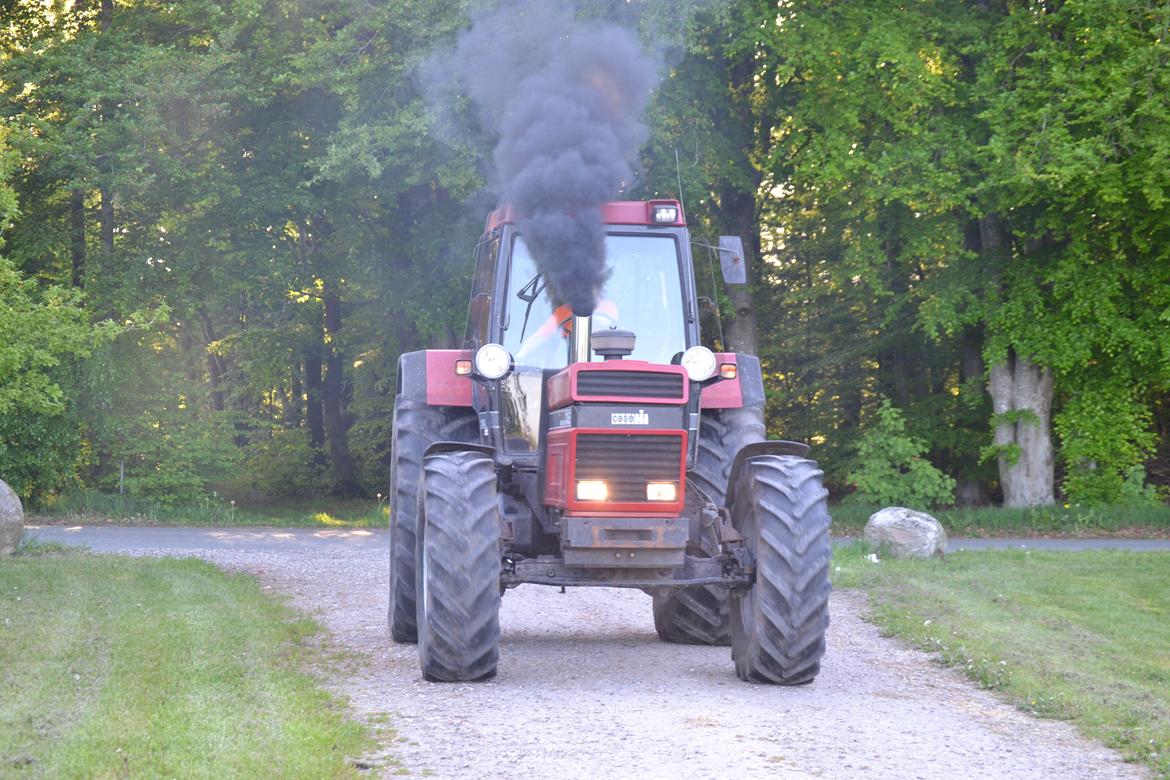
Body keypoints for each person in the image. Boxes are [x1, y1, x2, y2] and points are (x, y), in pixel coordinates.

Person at [515, 299, 620, 364]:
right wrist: (519, 356)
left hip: (600, 359)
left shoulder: (608, 307)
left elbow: (608, 326)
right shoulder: (563, 311)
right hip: (565, 362)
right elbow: (539, 337)